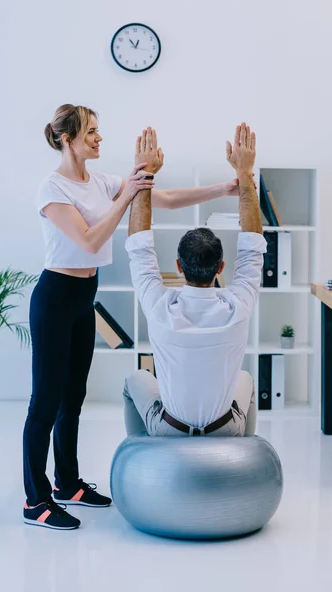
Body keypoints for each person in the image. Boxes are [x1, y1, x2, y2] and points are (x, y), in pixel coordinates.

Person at [23, 104, 244, 530]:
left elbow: (163, 199)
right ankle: (36, 500)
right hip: (54, 297)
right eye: (91, 132)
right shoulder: (52, 190)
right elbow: (88, 243)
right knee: (44, 402)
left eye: (98, 131)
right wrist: (126, 195)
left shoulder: (101, 181)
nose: (99, 138)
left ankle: (68, 483)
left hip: (84, 294)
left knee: (73, 398)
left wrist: (223, 189)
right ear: (67, 139)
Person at [123, 122, 266, 438]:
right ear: (221, 268)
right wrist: (245, 173)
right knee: (246, 379)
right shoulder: (237, 305)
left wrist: (145, 171)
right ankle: (244, 447)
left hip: (170, 429)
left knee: (135, 380)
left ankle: (142, 451)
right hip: (223, 429)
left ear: (178, 266)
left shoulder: (160, 306)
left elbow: (138, 244)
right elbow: (254, 245)